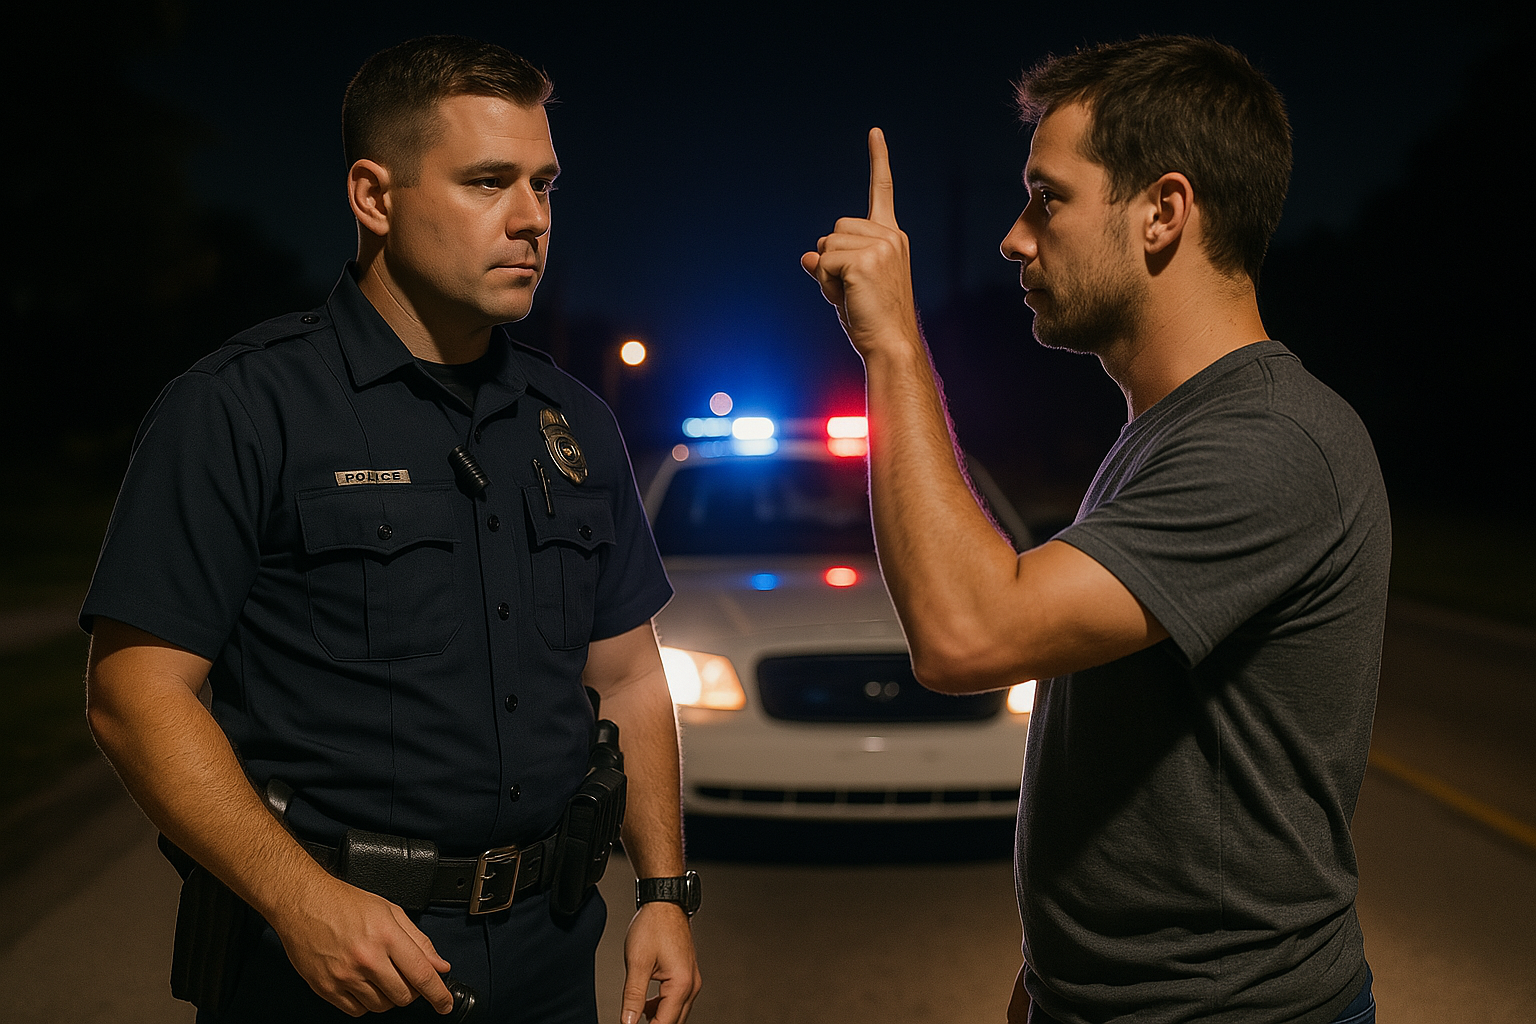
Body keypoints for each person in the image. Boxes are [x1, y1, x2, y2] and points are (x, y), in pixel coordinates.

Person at [83, 35, 701, 1023]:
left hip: (548, 955)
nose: (531, 218)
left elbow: (626, 671)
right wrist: (302, 902)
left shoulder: (574, 422)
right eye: (488, 182)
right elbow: (134, 691)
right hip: (334, 963)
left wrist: (665, 893)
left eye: (543, 184)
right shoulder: (242, 408)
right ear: (374, 196)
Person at [802, 35, 1386, 1024]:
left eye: (1048, 197)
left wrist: (894, 343)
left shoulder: (1269, 442)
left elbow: (969, 633)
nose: (1015, 237)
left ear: (1163, 211)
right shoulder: (1171, 431)